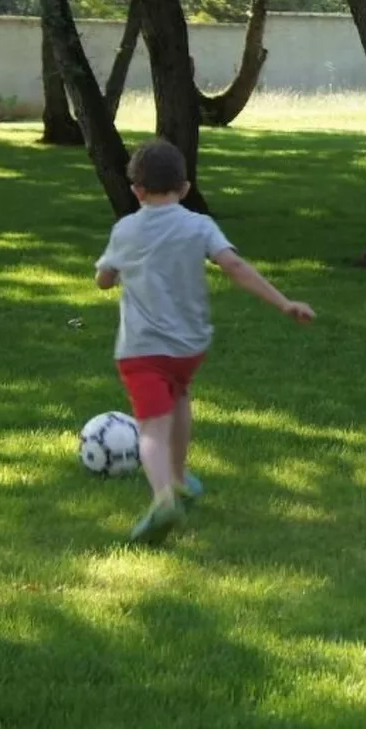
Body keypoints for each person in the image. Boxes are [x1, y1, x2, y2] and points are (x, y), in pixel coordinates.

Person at [95, 140, 314, 545]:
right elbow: (234, 265)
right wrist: (284, 303)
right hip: (190, 346)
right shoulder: (199, 225)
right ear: (184, 186)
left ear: (136, 189)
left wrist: (110, 276)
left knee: (150, 428)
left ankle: (163, 498)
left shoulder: (125, 229)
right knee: (178, 397)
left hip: (142, 349)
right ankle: (179, 478)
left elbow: (104, 278)